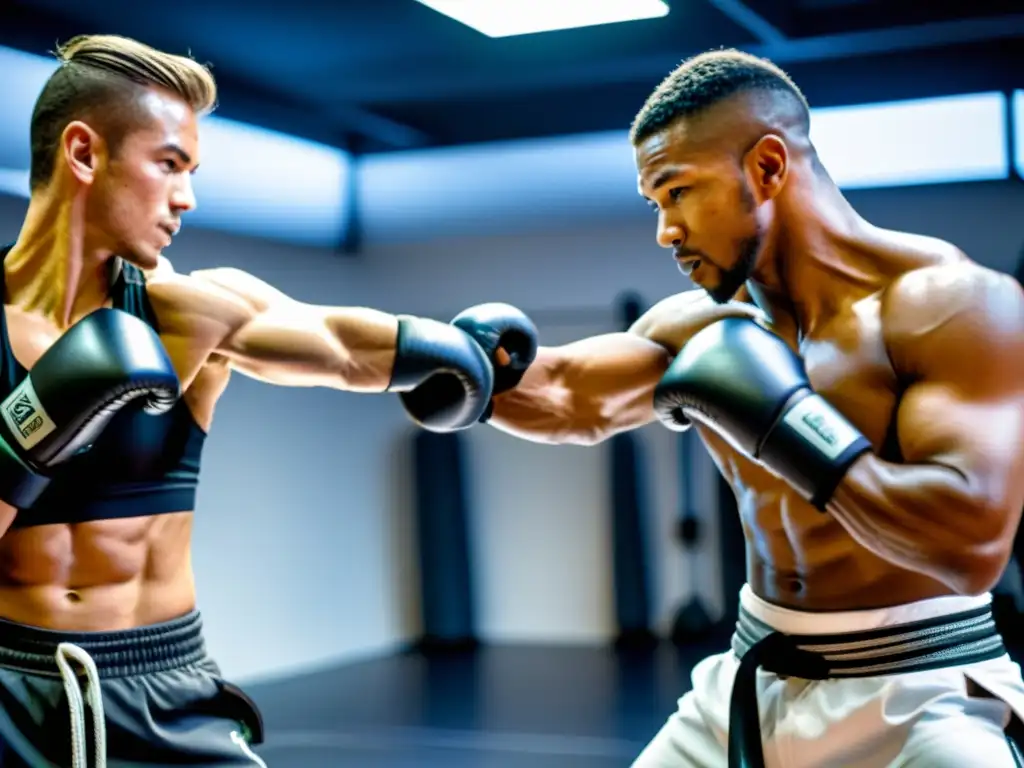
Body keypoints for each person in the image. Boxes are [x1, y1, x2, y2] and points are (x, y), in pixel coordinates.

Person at [446, 49, 1024, 766]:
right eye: (654, 204)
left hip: (920, 687)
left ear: (768, 167)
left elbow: (970, 546)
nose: (665, 230)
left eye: (678, 192)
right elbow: (565, 394)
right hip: (751, 679)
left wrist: (787, 423)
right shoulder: (704, 327)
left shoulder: (952, 304)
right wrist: (440, 364)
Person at [0, 34, 531, 768]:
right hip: (13, 698)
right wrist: (31, 428)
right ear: (85, 154)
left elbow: (340, 345)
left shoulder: (187, 313)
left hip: (168, 692)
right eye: (169, 164)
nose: (186, 197)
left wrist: (460, 354)